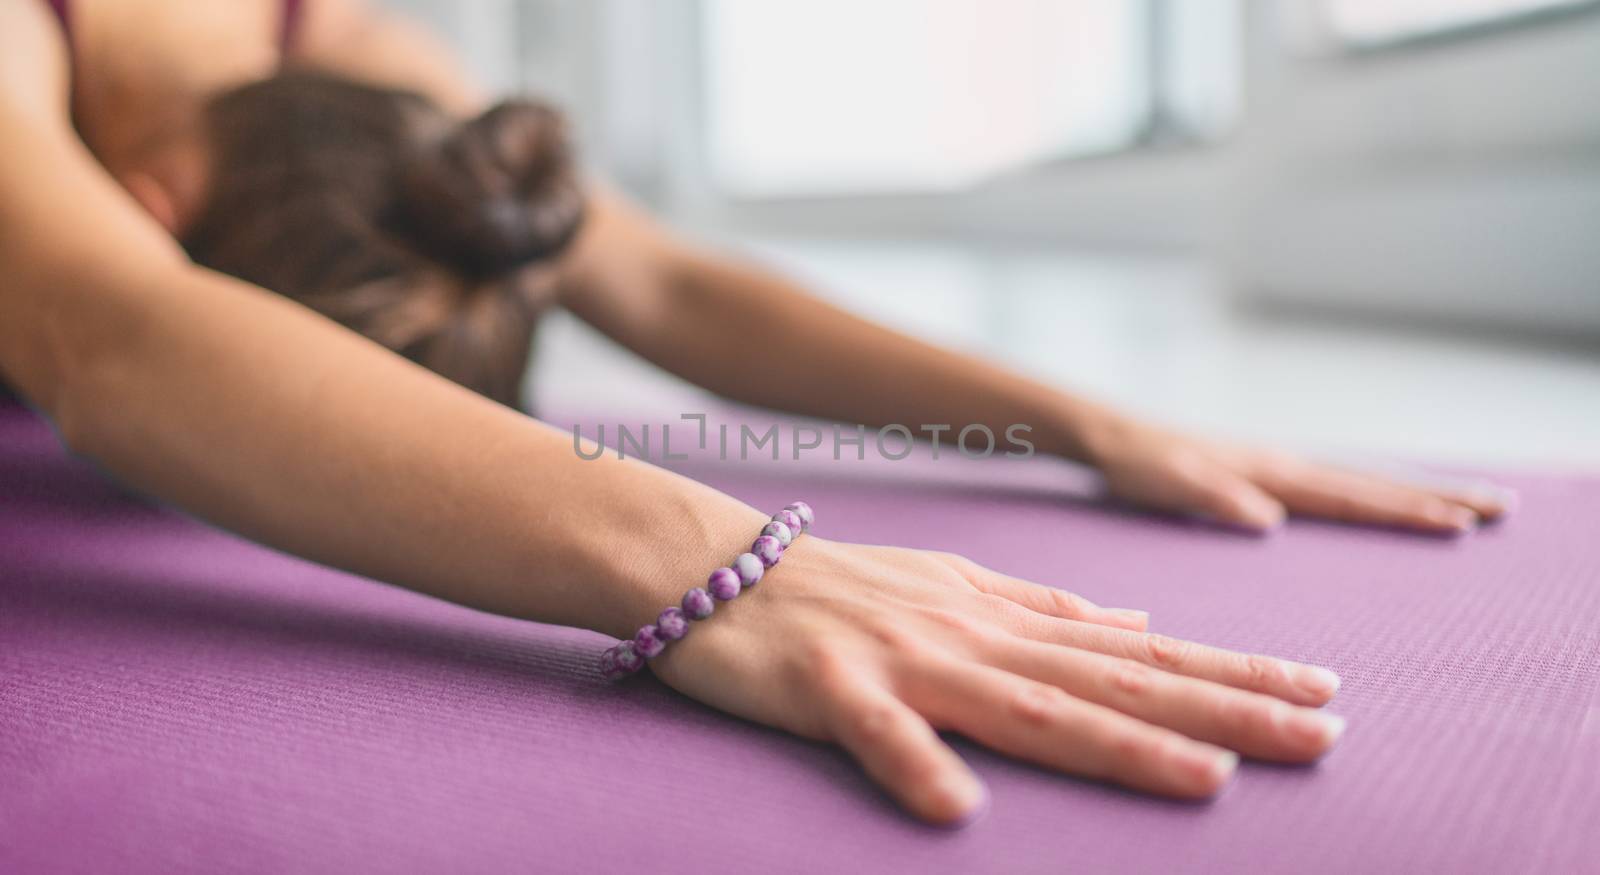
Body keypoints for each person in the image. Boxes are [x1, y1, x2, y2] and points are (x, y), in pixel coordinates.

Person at [0, 0, 1506, 826]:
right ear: (151, 213)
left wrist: (1084, 424)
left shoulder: (361, 61)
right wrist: (719, 566)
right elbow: (120, 337)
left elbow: (655, 282)